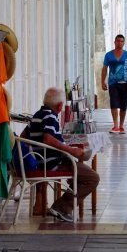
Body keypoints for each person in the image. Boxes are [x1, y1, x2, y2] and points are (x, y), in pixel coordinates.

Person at [27, 87, 99, 222]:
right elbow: (48, 138)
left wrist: (36, 152)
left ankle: (60, 205)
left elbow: (25, 136)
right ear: (60, 106)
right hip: (53, 163)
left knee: (78, 175)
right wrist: (71, 150)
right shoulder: (50, 116)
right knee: (92, 177)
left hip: (40, 162)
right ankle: (62, 207)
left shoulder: (37, 116)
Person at [101, 34, 127, 134]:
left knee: (123, 105)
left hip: (125, 82)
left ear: (123, 43)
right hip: (112, 83)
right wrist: (102, 81)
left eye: (122, 41)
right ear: (114, 42)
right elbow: (104, 68)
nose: (119, 43)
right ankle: (115, 126)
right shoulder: (108, 55)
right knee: (113, 103)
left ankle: (121, 126)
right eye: (118, 41)